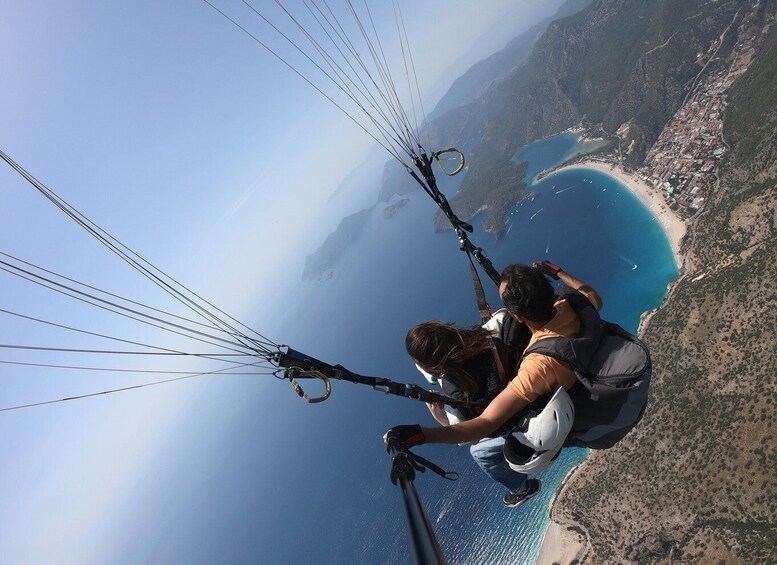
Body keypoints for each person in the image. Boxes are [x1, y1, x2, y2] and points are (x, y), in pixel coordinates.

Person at [385, 260, 603, 508]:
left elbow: (477, 429)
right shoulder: (575, 307)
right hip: (566, 380)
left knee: (479, 452)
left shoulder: (536, 367)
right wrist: (558, 272)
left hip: (539, 414)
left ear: (520, 317)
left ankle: (521, 487)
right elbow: (590, 293)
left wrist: (427, 430)